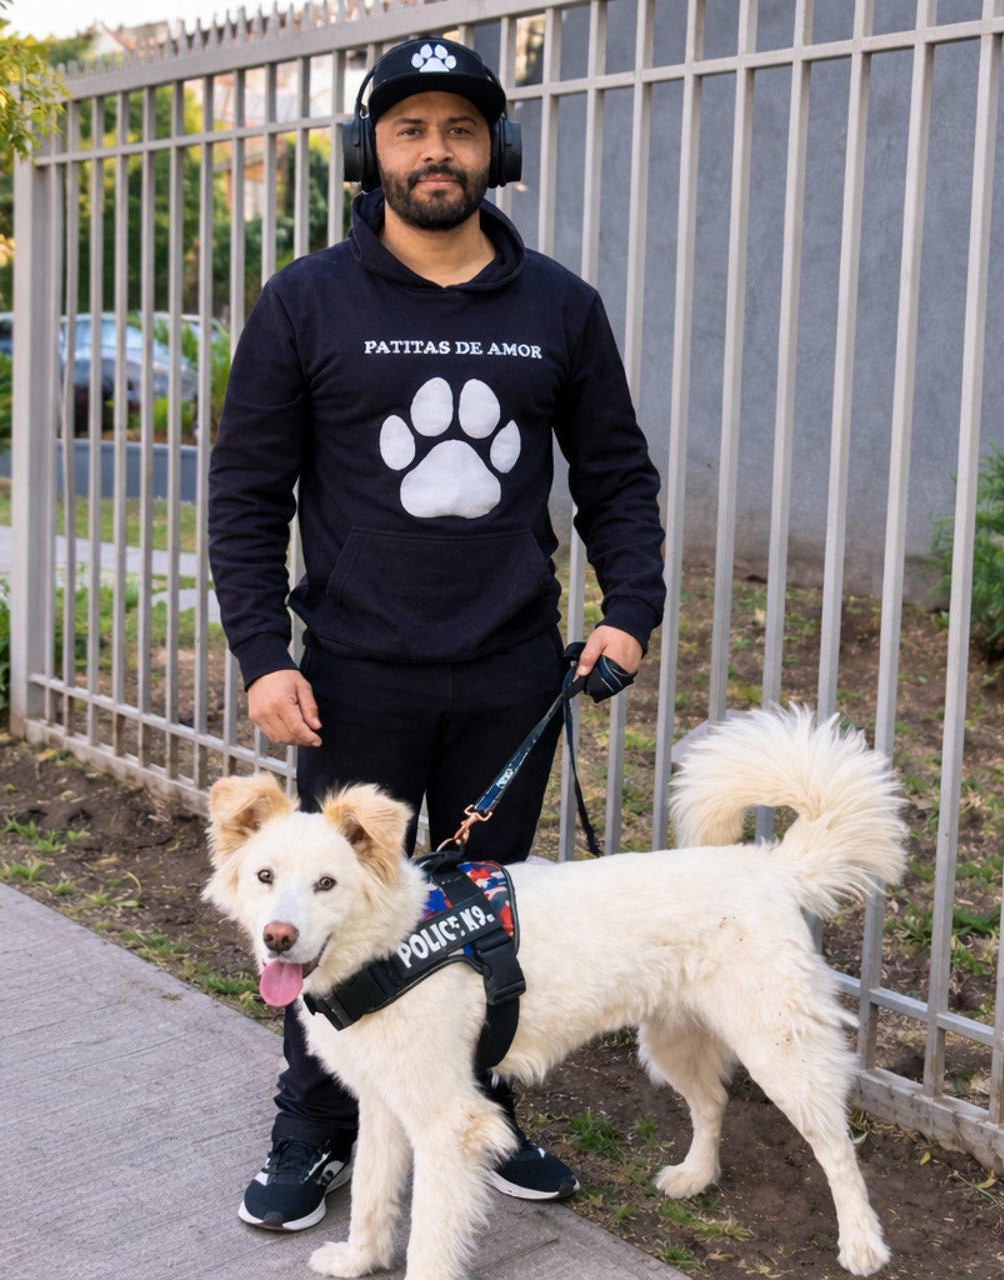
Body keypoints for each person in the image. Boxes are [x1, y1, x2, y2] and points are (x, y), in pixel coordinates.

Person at [207, 34, 667, 1233]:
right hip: (355, 678)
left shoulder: (561, 306)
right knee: (330, 910)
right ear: (372, 153)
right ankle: (313, 1128)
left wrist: (630, 612)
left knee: (481, 918)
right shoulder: (307, 300)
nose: (436, 151)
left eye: (460, 129)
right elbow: (247, 490)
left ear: (494, 152)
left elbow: (617, 474)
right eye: (409, 129)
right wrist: (264, 653)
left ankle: (480, 1110)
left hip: (514, 671)